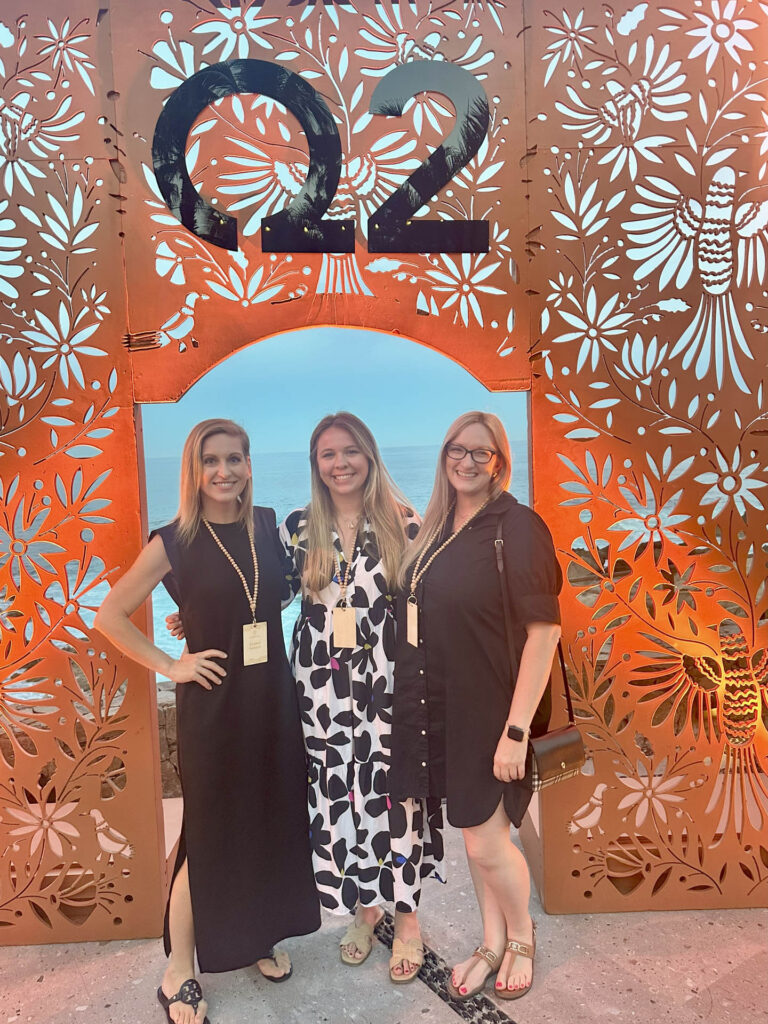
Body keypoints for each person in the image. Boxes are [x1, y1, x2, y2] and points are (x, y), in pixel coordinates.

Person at [95, 419, 320, 1024]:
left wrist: (193, 615)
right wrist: (171, 662)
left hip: (273, 700)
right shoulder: (174, 541)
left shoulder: (270, 526)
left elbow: (271, 595)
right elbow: (110, 614)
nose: (224, 471)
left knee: (267, 821)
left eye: (235, 459)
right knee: (210, 833)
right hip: (214, 705)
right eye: (211, 461)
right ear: (194, 470)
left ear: (249, 464)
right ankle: (179, 967)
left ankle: (255, 936)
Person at [390, 411, 562, 1003]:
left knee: (489, 843)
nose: (466, 461)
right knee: (472, 835)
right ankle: (490, 941)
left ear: (500, 462)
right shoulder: (438, 528)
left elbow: (544, 633)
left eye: (480, 453)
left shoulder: (516, 527)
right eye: (456, 451)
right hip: (440, 707)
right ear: (443, 457)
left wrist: (515, 731)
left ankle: (520, 937)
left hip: (492, 710)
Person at [279, 412, 444, 983]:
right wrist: (193, 616)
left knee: (394, 795)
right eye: (328, 454)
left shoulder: (405, 524)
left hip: (388, 685)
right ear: (315, 464)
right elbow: (262, 594)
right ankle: (364, 907)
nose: (340, 463)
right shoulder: (298, 527)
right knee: (342, 797)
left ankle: (407, 919)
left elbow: (436, 606)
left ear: (369, 456)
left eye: (349, 451)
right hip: (321, 689)